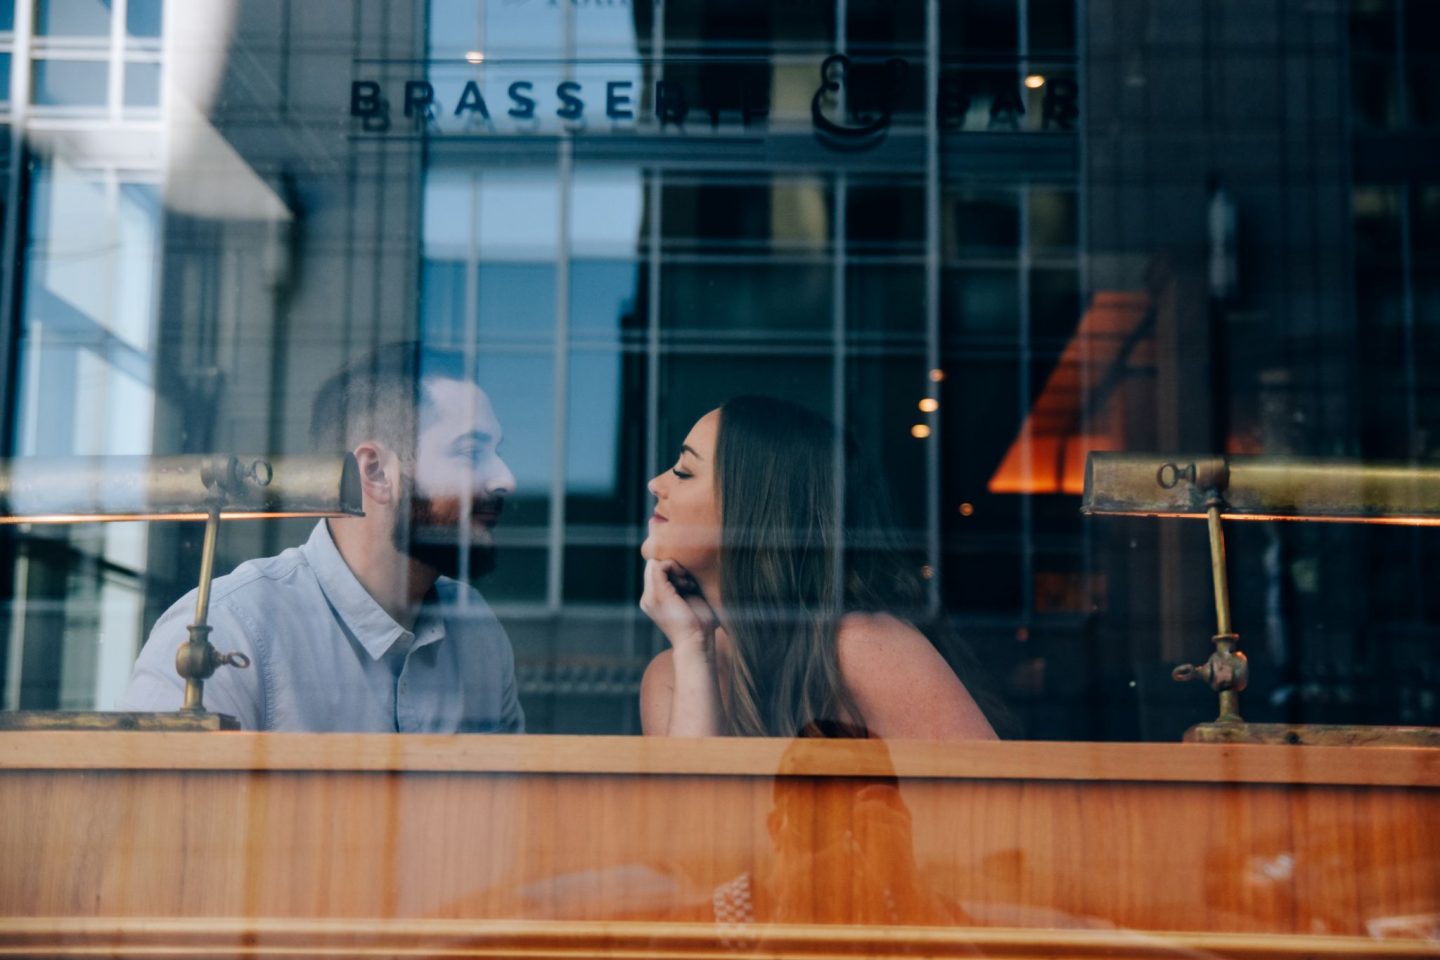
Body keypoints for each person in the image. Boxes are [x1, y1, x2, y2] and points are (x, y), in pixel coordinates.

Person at [118, 343, 525, 733]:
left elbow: (511, 805)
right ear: (377, 473)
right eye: (471, 453)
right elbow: (155, 803)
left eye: (498, 452)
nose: (505, 478)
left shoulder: (477, 634)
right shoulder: (228, 628)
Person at [639, 395, 999, 740]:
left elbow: (994, 798)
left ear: (755, 507)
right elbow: (693, 805)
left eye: (684, 472)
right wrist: (693, 646)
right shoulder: (672, 673)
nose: (656, 484)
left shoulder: (861, 645)